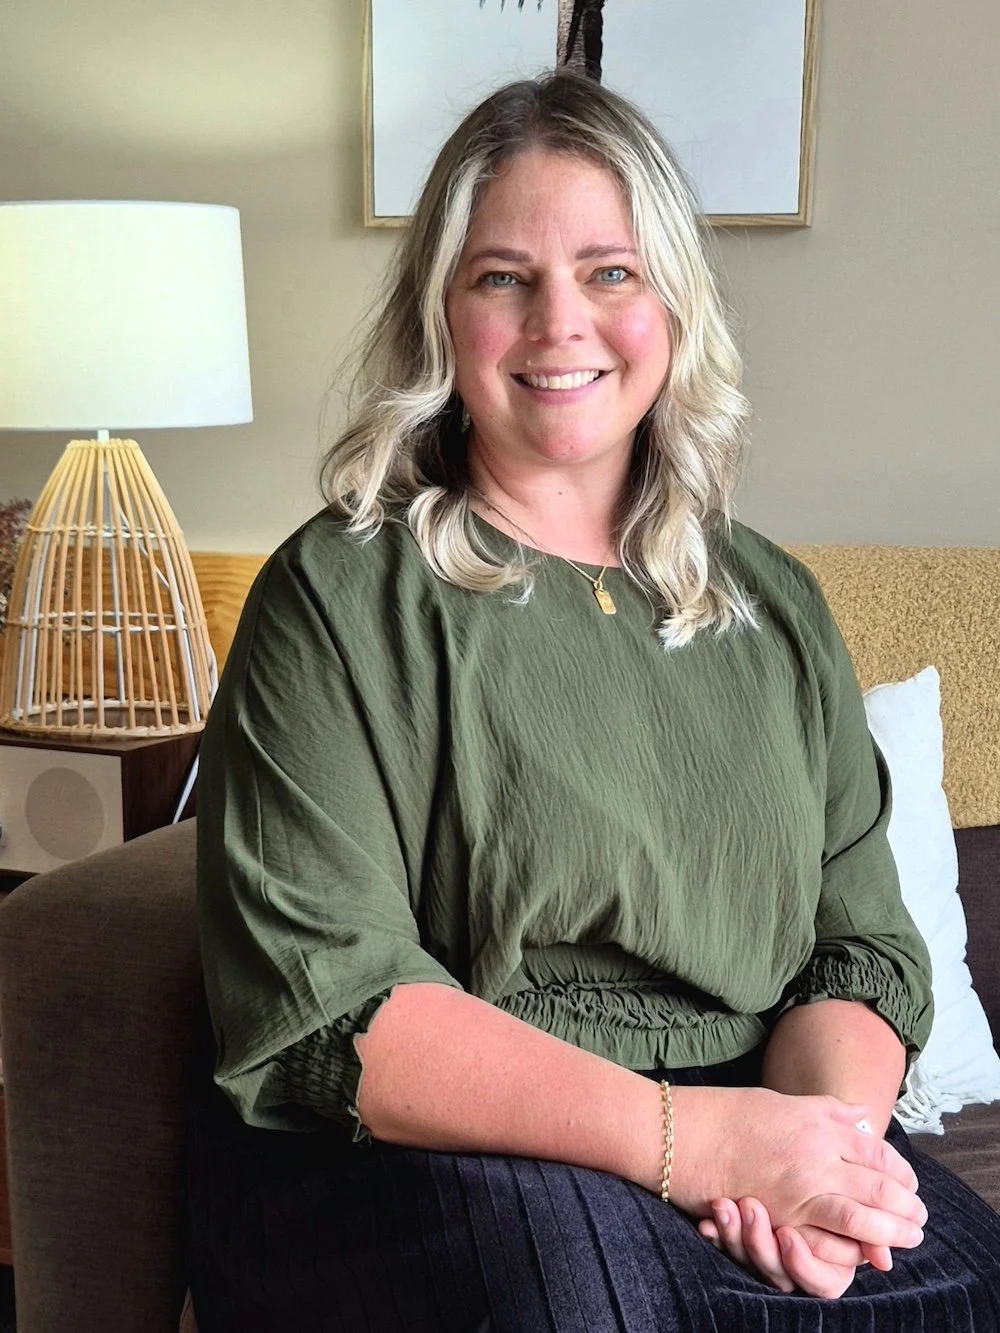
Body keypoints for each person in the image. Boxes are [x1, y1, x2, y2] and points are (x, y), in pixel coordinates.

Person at [187, 72, 1000, 1332]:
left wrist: (808, 1154)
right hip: (428, 1148)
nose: (559, 322)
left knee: (955, 1284)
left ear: (671, 301)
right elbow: (337, 1002)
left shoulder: (774, 604)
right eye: (502, 276)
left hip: (755, 1113)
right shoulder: (334, 595)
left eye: (611, 272)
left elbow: (862, 946)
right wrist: (694, 1143)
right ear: (440, 315)